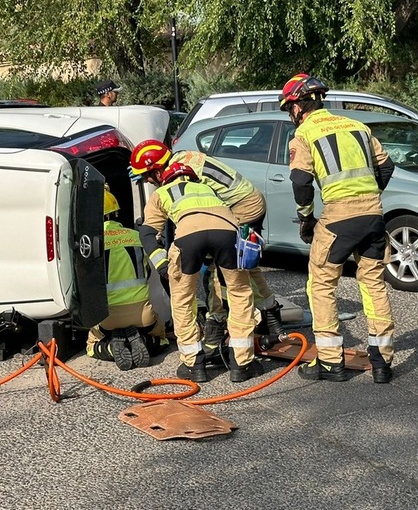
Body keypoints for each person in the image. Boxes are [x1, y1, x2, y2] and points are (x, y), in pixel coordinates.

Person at [281, 73, 396, 383]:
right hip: (373, 214)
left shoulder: (304, 134)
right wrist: (369, 197)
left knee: (321, 284)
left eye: (288, 108)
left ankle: (331, 362)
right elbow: (386, 166)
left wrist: (306, 218)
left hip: (338, 217)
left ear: (298, 106)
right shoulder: (358, 126)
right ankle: (382, 361)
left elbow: (301, 182)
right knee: (373, 283)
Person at [131, 148, 263, 383]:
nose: (148, 181)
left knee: (183, 300)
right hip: (228, 235)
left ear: (162, 174)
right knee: (240, 293)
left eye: (148, 176)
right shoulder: (208, 189)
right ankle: (242, 364)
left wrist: (163, 265)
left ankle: (195, 365)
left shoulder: (162, 194)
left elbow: (148, 233)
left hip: (189, 238)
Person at [165, 145, 286, 355]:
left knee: (222, 269)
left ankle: (218, 324)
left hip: (242, 206)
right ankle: (270, 314)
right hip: (249, 200)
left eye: (149, 176)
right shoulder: (186, 156)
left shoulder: (181, 171)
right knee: (243, 264)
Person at [86, 188, 169, 370]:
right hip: (143, 316)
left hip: (107, 318)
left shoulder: (91, 245)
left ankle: (109, 346)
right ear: (117, 213)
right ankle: (145, 340)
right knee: (163, 340)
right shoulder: (137, 237)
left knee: (91, 346)